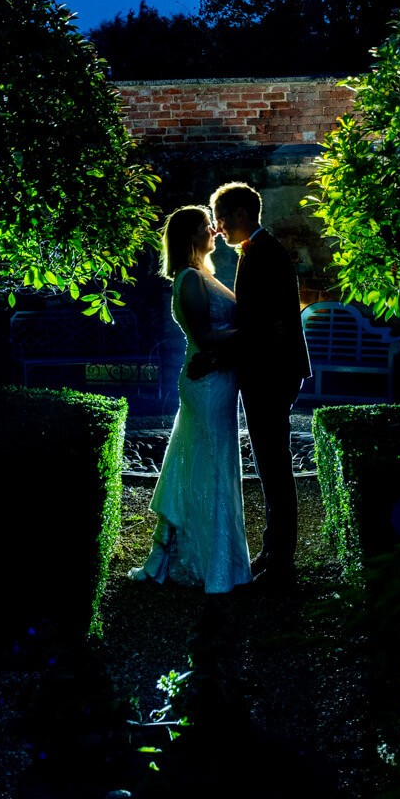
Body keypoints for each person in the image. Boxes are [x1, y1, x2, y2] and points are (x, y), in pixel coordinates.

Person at [129, 205, 251, 594]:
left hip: (219, 379)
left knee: (209, 458)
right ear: (190, 237)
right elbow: (205, 336)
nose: (213, 230)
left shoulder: (204, 275)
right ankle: (211, 562)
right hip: (207, 383)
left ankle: (205, 554)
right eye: (205, 226)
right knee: (209, 461)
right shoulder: (190, 279)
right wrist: (257, 330)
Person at [205, 182, 311, 590]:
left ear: (240, 214)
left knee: (275, 465)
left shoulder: (265, 253)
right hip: (270, 370)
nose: (218, 228)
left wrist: (221, 353)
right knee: (271, 463)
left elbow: (264, 325)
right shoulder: (259, 251)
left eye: (221, 219)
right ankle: (273, 551)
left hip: (271, 372)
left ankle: (280, 560)